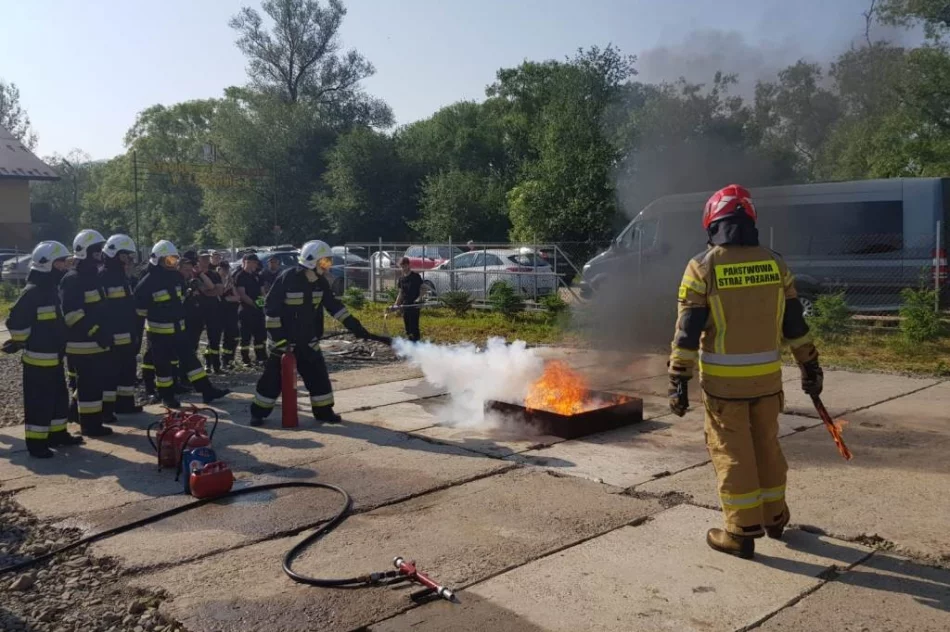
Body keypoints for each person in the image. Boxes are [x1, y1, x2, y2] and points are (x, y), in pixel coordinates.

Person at [667, 184, 822, 560]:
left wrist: (678, 378)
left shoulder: (702, 267)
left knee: (732, 453)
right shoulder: (775, 264)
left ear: (712, 222)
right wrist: (810, 365)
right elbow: (794, 325)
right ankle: (775, 517)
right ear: (749, 220)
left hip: (724, 388)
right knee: (767, 446)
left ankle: (740, 531)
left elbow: (688, 331)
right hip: (768, 382)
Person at [249, 240, 391, 426]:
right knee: (272, 379)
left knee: (318, 376)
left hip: (308, 339)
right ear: (311, 262)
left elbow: (334, 306)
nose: (328, 266)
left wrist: (355, 326)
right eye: (324, 262)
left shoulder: (320, 282)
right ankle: (258, 413)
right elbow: (270, 311)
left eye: (328, 262)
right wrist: (279, 341)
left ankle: (324, 412)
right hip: (283, 341)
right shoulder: (287, 279)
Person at [3, 241, 84, 457]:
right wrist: (21, 341)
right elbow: (15, 322)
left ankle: (58, 435)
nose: (64, 268)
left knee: (58, 399)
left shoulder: (51, 290)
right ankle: (36, 444)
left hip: (54, 358)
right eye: (60, 263)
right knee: (39, 403)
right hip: (38, 361)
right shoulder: (33, 292)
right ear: (45, 264)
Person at [134, 240, 230, 408]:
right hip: (159, 333)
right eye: (169, 260)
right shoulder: (147, 282)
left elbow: (180, 299)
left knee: (191, 361)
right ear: (158, 260)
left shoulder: (175, 277)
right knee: (163, 368)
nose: (172, 264)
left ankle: (207, 390)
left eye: (174, 260)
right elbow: (139, 309)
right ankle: (167, 397)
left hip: (179, 329)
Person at [60, 229, 114, 437]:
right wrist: (96, 332)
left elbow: (99, 309)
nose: (99, 255)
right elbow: (72, 315)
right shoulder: (73, 279)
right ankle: (91, 426)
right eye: (96, 251)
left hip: (95, 342)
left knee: (91, 383)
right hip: (82, 343)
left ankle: (76, 414)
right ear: (84, 252)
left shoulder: (93, 277)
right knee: (90, 385)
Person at [100, 234, 144, 418]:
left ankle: (125, 404)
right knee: (110, 374)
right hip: (113, 336)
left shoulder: (122, 277)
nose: (130, 260)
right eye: (127, 256)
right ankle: (107, 410)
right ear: (117, 255)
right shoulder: (103, 277)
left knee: (127, 371)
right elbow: (102, 310)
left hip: (127, 334)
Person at [234, 253, 266, 365]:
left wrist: (261, 304)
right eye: (252, 262)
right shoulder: (240, 276)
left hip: (258, 310)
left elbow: (262, 292)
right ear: (246, 262)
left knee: (260, 335)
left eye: (256, 263)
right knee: (245, 337)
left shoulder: (257, 276)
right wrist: (254, 304)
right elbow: (242, 294)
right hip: (246, 310)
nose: (254, 265)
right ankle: (245, 359)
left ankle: (261, 357)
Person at [197, 251, 225, 373]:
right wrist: (210, 291)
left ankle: (216, 366)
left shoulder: (214, 274)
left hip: (214, 309)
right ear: (198, 260)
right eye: (203, 258)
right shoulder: (194, 275)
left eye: (207, 258)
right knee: (194, 339)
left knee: (214, 338)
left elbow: (219, 291)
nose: (206, 261)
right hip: (197, 310)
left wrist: (205, 292)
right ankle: (202, 365)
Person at [393, 257, 425, 342]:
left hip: (414, 305)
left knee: (414, 327)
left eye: (405, 266)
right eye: (402, 266)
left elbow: (423, 289)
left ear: (408, 265)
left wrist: (419, 298)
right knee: (407, 328)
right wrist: (396, 304)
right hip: (405, 306)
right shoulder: (401, 279)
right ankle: (410, 345)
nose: (403, 268)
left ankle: (417, 345)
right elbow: (400, 293)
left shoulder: (415, 276)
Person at [217, 260, 241, 370]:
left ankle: (229, 359)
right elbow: (220, 295)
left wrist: (229, 295)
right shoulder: (216, 279)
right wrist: (227, 294)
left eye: (227, 269)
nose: (226, 271)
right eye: (224, 269)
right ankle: (218, 361)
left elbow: (237, 298)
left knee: (234, 337)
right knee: (217, 338)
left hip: (232, 313)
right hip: (220, 313)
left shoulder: (230, 281)